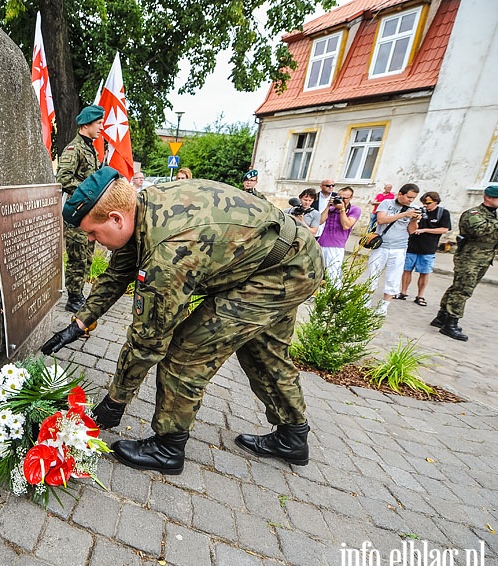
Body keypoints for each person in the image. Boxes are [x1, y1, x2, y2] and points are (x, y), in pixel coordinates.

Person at [40, 167, 324, 474]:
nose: (93, 241)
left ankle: (168, 448)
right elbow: (118, 272)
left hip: (282, 271)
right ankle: (293, 438)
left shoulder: (169, 251)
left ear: (116, 219)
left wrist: (115, 401)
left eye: (93, 233)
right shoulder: (144, 207)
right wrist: (79, 323)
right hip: (288, 256)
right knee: (263, 350)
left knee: (186, 353)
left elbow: (149, 339)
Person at [431, 185, 498, 341]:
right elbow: (478, 231)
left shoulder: (493, 216)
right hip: (470, 257)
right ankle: (450, 324)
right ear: (488, 197)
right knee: (463, 289)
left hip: (485, 257)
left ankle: (442, 317)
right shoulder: (473, 214)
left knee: (459, 287)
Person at [56, 104, 104, 312]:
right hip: (77, 214)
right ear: (86, 125)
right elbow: (63, 178)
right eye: (99, 123)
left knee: (87, 257)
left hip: (89, 214)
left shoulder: (90, 147)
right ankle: (73, 298)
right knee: (77, 257)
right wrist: (89, 191)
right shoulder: (74, 149)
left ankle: (79, 293)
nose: (101, 127)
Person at [364, 183, 422, 316]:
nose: (411, 200)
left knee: (393, 278)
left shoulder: (414, 208)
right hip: (381, 246)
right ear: (400, 194)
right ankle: (365, 302)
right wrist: (403, 215)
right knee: (372, 274)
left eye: (413, 198)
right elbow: (381, 220)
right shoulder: (386, 203)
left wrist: (414, 220)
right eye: (409, 197)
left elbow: (412, 231)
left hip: (399, 248)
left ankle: (383, 307)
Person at [397, 192, 450, 306]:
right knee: (406, 270)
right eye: (424, 203)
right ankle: (403, 292)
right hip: (412, 245)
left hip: (428, 248)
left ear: (436, 201)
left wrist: (425, 230)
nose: (425, 205)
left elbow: (444, 229)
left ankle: (420, 296)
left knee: (424, 273)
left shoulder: (442, 213)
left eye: (428, 203)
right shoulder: (419, 211)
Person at [316, 186, 361, 286]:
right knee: (317, 272)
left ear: (351, 198)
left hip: (336, 245)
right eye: (340, 197)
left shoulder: (354, 209)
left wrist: (342, 210)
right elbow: (320, 221)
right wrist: (328, 206)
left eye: (345, 198)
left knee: (333, 274)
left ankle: (333, 296)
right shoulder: (332, 208)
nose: (342, 200)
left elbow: (346, 225)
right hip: (322, 242)